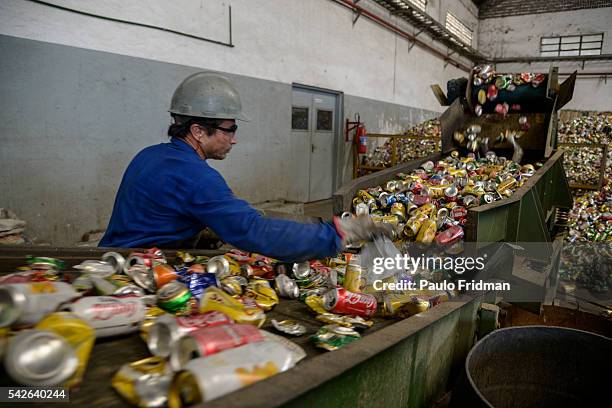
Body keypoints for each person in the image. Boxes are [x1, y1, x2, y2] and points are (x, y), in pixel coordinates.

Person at [99, 72, 390, 261]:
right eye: (230, 129)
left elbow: (153, 220)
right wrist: (338, 233)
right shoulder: (198, 178)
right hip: (136, 270)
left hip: (109, 257)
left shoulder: (148, 156)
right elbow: (254, 232)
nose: (234, 140)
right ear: (199, 131)